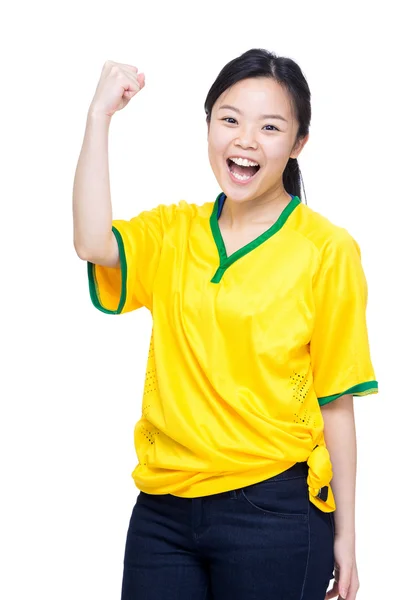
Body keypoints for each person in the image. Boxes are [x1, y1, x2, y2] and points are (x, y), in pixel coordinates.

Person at [73, 49, 378, 600]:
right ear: (209, 124)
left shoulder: (325, 250)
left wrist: (347, 535)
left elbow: (337, 399)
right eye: (230, 119)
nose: (245, 140)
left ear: (298, 144)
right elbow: (92, 242)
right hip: (163, 512)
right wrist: (99, 117)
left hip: (274, 511)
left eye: (270, 127)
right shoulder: (175, 233)